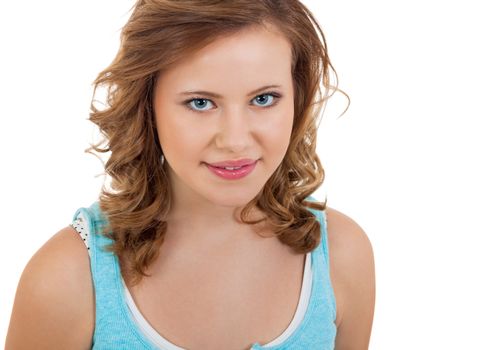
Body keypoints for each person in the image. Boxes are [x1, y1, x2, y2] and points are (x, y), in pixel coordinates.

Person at [5, 1, 375, 349]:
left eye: (263, 99)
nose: (235, 140)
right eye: (200, 102)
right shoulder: (67, 280)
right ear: (146, 105)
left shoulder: (341, 256)